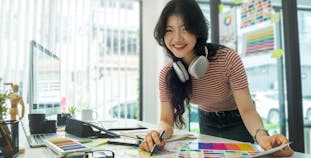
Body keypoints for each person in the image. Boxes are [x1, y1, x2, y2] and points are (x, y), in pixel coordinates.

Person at [139, 0, 293, 156]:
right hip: (207, 119)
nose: (177, 38)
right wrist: (157, 134)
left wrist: (263, 138)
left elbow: (247, 110)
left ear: (197, 30)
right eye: (169, 30)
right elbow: (166, 121)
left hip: (238, 119)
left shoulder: (227, 59)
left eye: (185, 29)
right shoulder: (168, 74)